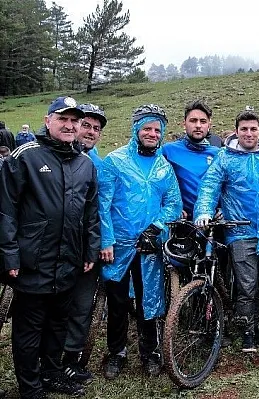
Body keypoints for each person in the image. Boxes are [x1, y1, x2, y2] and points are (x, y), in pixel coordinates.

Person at [0, 96, 100, 398]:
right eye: (63, 119)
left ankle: (52, 373)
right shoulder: (25, 156)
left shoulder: (84, 163)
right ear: (48, 121)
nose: (69, 125)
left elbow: (90, 212)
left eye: (74, 121)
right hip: (33, 260)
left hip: (69, 260)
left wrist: (90, 250)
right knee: (29, 329)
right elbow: (5, 209)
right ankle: (30, 387)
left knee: (58, 324)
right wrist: (9, 254)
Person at [98, 104, 182, 379]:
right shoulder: (114, 161)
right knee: (118, 301)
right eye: (147, 128)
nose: (152, 134)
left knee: (150, 301)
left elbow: (173, 203)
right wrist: (107, 240)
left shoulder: (163, 167)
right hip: (119, 246)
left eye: (157, 130)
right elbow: (103, 204)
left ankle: (150, 352)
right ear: (136, 130)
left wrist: (156, 228)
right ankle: (116, 353)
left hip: (149, 246)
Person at [194, 111, 259, 352]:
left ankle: (254, 323)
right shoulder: (225, 158)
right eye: (244, 129)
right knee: (247, 284)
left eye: (253, 129)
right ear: (236, 131)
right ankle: (246, 331)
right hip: (238, 232)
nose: (249, 134)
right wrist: (204, 211)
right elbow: (209, 186)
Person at [61, 103, 107, 384]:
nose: (90, 132)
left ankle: (70, 360)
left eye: (96, 128)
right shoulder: (56, 157)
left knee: (81, 307)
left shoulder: (100, 165)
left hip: (87, 249)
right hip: (56, 248)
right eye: (86, 125)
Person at [162, 100, 221, 220]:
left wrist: (224, 208)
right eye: (193, 121)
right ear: (184, 124)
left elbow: (229, 186)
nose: (198, 125)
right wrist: (171, 208)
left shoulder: (219, 153)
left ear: (209, 125)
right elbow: (157, 184)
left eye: (203, 121)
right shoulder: (168, 151)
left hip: (213, 222)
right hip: (181, 223)